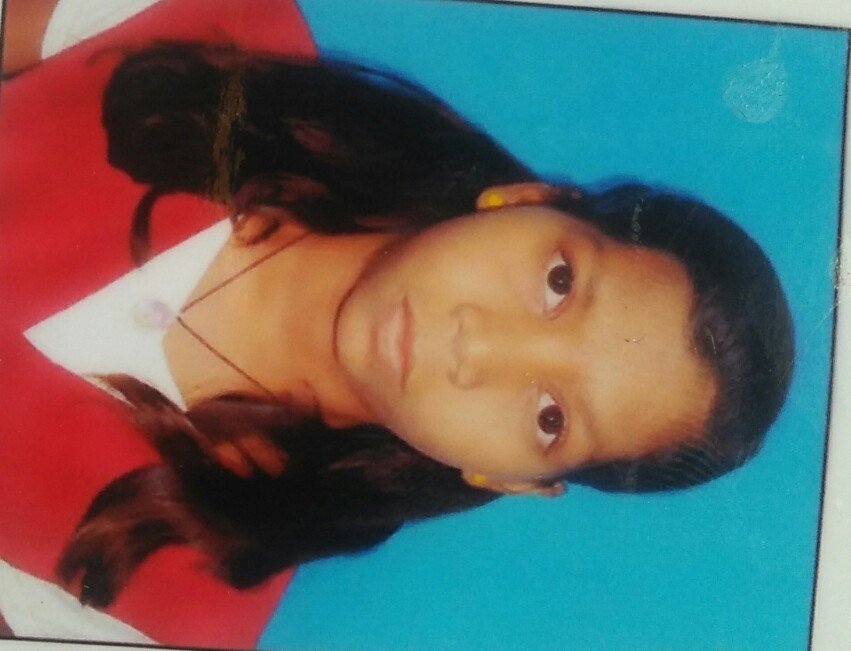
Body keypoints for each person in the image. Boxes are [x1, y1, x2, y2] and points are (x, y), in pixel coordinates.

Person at [0, 0, 794, 646]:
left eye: (549, 415)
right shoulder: (223, 31)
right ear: (530, 201)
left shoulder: (181, 608)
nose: (477, 346)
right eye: (559, 283)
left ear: (510, 479)